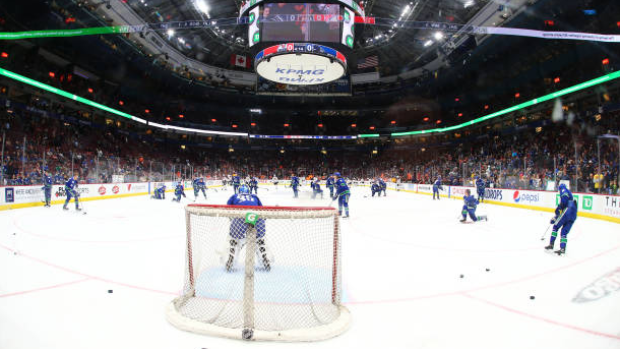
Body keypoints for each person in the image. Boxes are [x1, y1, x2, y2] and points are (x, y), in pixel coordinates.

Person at [225, 185, 271, 272]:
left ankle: (231, 261)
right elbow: (262, 210)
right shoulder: (254, 196)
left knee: (235, 241)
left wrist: (231, 219)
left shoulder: (234, 196)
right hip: (255, 217)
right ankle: (265, 260)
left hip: (239, 217)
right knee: (259, 240)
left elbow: (227, 209)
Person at [545, 183, 578, 255]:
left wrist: (555, 217)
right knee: (564, 232)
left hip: (568, 211)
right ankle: (562, 248)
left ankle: (551, 244)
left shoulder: (563, 189)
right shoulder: (569, 192)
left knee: (555, 226)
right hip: (574, 214)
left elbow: (564, 201)